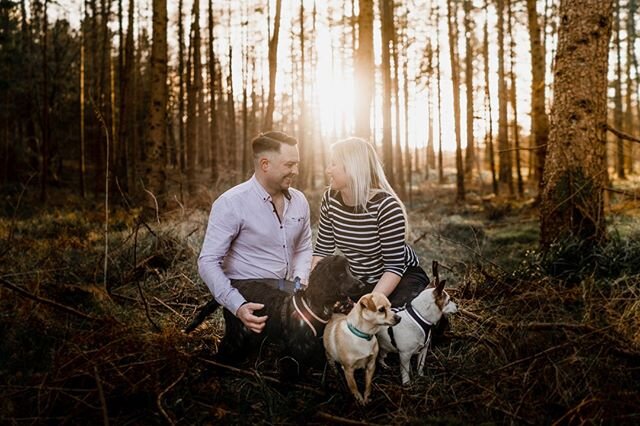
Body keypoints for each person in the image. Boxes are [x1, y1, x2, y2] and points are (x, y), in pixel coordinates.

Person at [198, 131, 312, 334]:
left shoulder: (299, 201)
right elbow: (207, 261)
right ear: (265, 164)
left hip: (288, 289)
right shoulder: (231, 203)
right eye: (289, 165)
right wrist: (237, 306)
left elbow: (303, 247)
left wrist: (299, 282)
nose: (295, 171)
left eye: (297, 164)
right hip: (249, 292)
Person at [311, 137, 428, 307]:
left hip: (399, 278)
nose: (328, 170)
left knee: (387, 323)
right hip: (361, 281)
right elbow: (323, 249)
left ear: (352, 168)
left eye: (333, 164)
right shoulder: (330, 199)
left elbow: (394, 267)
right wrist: (313, 287)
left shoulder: (386, 206)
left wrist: (368, 304)